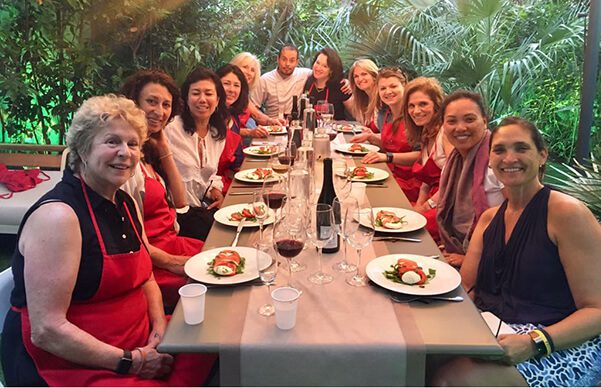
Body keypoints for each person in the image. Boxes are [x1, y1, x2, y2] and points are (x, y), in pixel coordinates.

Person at [0, 95, 215, 386]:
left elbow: (146, 277)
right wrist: (132, 361)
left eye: (133, 144)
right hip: (75, 362)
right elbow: (48, 330)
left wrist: (158, 326)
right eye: (112, 142)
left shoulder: (124, 202)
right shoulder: (58, 218)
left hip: (137, 340)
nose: (125, 153)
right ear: (83, 148)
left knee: (215, 340)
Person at [432, 117, 601, 386]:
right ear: (489, 159)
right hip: (493, 331)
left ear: (542, 155)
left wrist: (533, 343)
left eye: (521, 148)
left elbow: (596, 310)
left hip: (556, 342)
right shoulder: (488, 219)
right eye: (499, 150)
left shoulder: (565, 213)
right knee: (417, 355)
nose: (509, 158)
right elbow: (465, 286)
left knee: (454, 380)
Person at [120, 69, 204, 308]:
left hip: (171, 241)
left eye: (166, 104)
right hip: (152, 259)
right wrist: (174, 262)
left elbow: (181, 203)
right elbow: (131, 238)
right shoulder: (124, 161)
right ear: (133, 103)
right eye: (151, 102)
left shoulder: (149, 151)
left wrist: (164, 146)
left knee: (229, 255)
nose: (160, 111)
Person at [436, 90, 504, 268]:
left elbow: (519, 222)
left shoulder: (499, 162)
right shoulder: (454, 161)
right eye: (451, 121)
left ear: (484, 120)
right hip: (455, 248)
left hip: (494, 262)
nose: (460, 128)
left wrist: (473, 259)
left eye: (469, 119)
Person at [165, 66, 241, 209]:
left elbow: (209, 175)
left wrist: (216, 191)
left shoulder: (216, 133)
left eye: (208, 93)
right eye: (195, 93)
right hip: (176, 212)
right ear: (186, 98)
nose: (202, 99)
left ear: (218, 100)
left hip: (202, 208)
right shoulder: (171, 129)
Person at [350, 68, 422, 202]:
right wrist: (371, 137)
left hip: (411, 181)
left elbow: (420, 155)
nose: (388, 91)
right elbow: (390, 142)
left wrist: (387, 157)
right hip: (388, 172)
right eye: (383, 88)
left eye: (393, 86)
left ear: (405, 86)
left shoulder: (414, 115)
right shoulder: (384, 114)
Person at [402, 77, 453, 242]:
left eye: (423, 104)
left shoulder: (445, 133)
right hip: (432, 199)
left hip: (448, 204)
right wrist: (419, 204)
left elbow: (453, 180)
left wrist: (425, 207)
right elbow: (426, 183)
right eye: (411, 106)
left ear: (437, 106)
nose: (416, 111)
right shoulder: (425, 132)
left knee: (407, 229)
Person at [250, 44, 350, 119]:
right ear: (278, 59)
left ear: (297, 62)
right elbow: (252, 106)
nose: (287, 64)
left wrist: (346, 82)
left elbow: (324, 74)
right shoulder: (265, 79)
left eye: (292, 60)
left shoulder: (304, 74)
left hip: (296, 122)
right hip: (272, 124)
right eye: (284, 59)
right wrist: (263, 120)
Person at [217, 63, 268, 147]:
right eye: (226, 83)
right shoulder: (212, 111)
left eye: (236, 85)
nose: (231, 89)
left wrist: (270, 121)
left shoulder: (234, 108)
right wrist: (250, 132)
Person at [229, 52, 282, 127]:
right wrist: (250, 132)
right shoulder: (228, 91)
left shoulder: (243, 93)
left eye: (252, 70)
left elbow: (255, 114)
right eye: (245, 67)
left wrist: (271, 121)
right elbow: (226, 129)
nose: (248, 72)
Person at [303, 47, 351, 120]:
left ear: (331, 70)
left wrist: (353, 86)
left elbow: (356, 114)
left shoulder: (341, 86)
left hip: (335, 129)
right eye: (317, 62)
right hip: (311, 129)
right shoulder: (308, 81)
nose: (318, 68)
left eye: (324, 66)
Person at [345, 58, 379, 127]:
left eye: (364, 74)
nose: (360, 79)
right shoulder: (363, 100)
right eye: (356, 76)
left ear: (374, 76)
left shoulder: (382, 98)